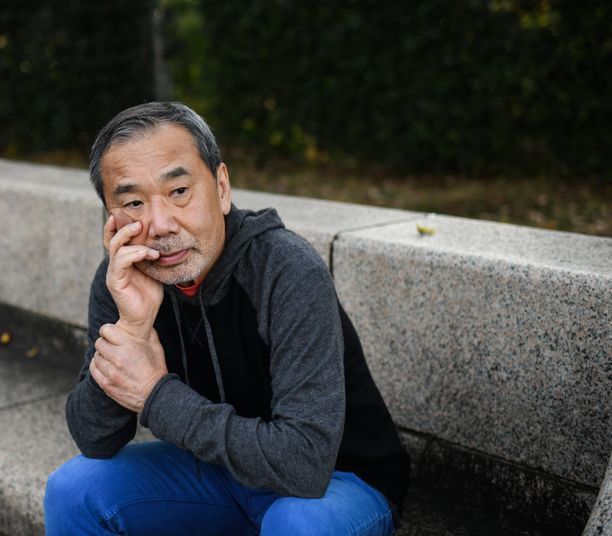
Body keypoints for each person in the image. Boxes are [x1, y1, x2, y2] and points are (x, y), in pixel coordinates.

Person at [44, 102, 410, 535]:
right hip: (218, 474)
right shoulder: (123, 279)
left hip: (337, 479)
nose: (160, 225)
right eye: (134, 202)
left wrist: (155, 395)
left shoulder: (286, 270)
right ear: (111, 217)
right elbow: (94, 437)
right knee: (73, 490)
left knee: (297, 526)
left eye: (179, 191)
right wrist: (131, 328)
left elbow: (305, 464)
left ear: (221, 187)